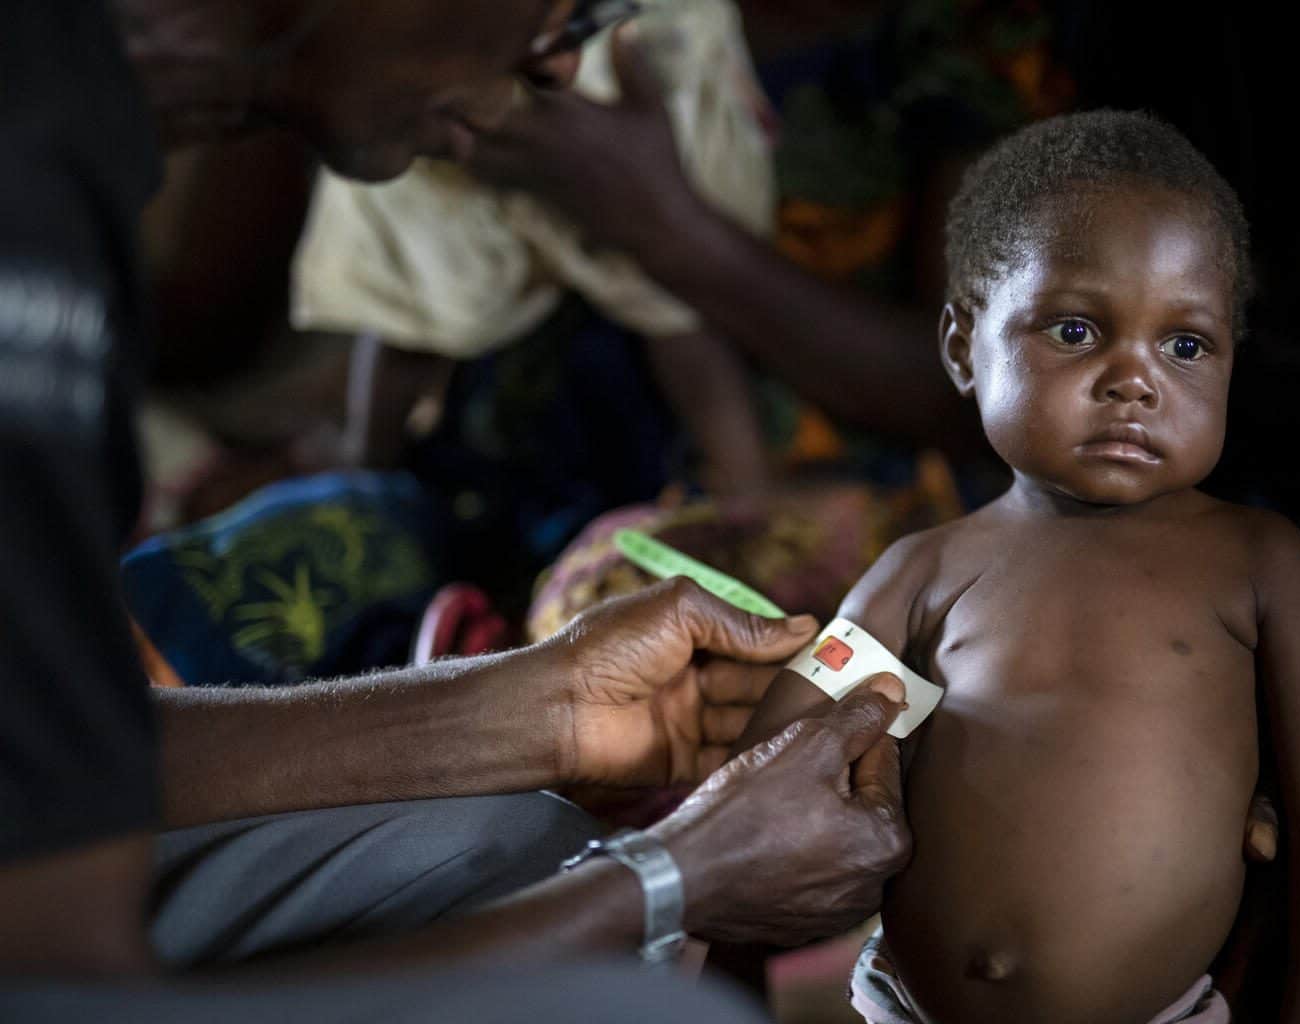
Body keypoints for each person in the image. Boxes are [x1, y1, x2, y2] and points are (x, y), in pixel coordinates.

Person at [0, 1, 911, 1016]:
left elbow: (56, 770)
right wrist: (666, 880)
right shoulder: (28, 188)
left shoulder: (73, 127)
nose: (563, 64)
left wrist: (547, 704)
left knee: (519, 842)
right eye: (568, 10)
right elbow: (58, 970)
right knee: (657, 1006)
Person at [732, 112, 1300, 1022]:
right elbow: (766, 782)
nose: (1134, 380)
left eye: (1185, 345)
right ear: (963, 346)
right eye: (1076, 331)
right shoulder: (924, 572)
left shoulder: (1255, 561)